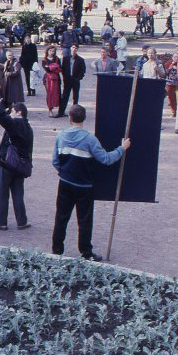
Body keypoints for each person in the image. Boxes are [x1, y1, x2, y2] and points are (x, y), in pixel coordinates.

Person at [51, 104, 131, 261]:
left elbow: (55, 161)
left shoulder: (61, 136)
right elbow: (106, 159)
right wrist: (122, 148)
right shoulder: (90, 139)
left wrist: (64, 172)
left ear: (69, 118)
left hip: (65, 183)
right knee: (85, 220)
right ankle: (86, 252)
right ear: (84, 119)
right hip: (84, 186)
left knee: (61, 217)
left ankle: (57, 250)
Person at [0, 100, 33, 230]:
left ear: (19, 113)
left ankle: (1, 221)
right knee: (18, 194)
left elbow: (6, 121)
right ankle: (22, 221)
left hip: (7, 164)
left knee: (2, 194)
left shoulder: (17, 123)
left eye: (12, 111)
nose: (11, 114)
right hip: (20, 166)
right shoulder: (28, 127)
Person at [58, 44, 86, 117]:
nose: (74, 49)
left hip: (75, 80)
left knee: (75, 97)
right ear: (70, 48)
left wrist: (78, 78)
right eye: (73, 47)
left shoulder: (80, 60)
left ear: (77, 49)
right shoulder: (66, 58)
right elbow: (63, 69)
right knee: (65, 96)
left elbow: (83, 70)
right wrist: (65, 77)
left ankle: (75, 113)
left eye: (76, 48)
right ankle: (61, 112)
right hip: (67, 80)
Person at [42, 46, 62, 117]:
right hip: (48, 79)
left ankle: (60, 110)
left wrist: (50, 67)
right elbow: (46, 69)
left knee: (58, 93)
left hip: (56, 79)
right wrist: (54, 66)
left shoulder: (57, 59)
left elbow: (59, 68)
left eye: (53, 51)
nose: (51, 52)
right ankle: (50, 109)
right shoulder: (44, 60)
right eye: (50, 51)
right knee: (49, 94)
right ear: (47, 51)